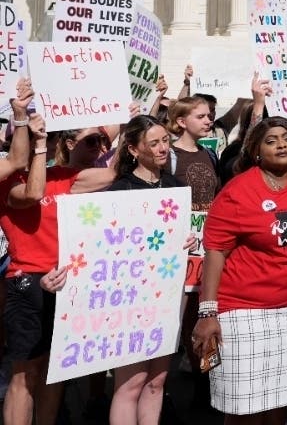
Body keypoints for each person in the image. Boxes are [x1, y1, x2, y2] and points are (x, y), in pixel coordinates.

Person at [191, 117, 287, 423]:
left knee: (280, 402)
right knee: (245, 412)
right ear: (255, 151)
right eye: (271, 140)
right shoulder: (238, 191)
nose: (281, 144)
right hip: (245, 314)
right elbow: (215, 252)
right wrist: (207, 313)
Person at [1, 84, 118, 425]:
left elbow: (114, 173)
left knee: (56, 370)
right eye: (42, 138)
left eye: (50, 137)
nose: (46, 141)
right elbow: (34, 193)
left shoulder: (66, 178)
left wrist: (116, 123)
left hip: (67, 284)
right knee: (25, 375)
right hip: (28, 283)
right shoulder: (7, 184)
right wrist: (31, 135)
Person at [106, 115, 186, 424]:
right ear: (134, 149)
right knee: (130, 384)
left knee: (156, 383)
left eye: (165, 140)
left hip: (167, 295)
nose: (163, 148)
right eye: (154, 143)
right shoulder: (120, 191)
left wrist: (187, 237)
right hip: (130, 299)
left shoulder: (177, 186)